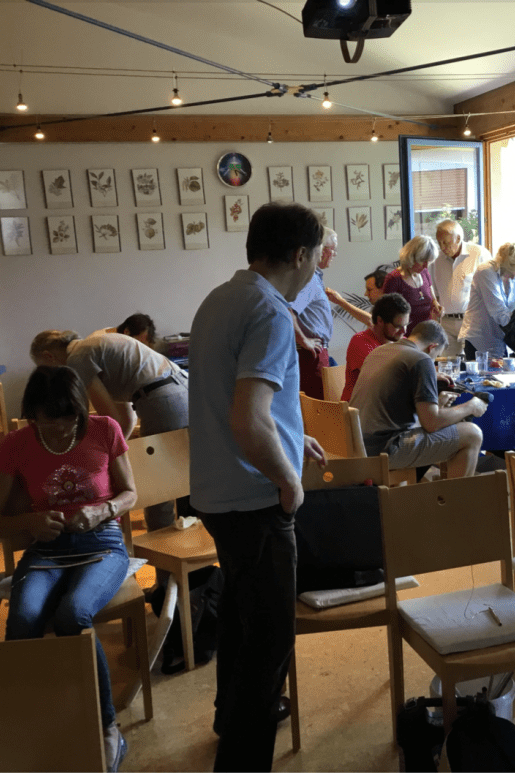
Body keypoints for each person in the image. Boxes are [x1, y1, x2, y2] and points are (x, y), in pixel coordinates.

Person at [189, 202, 327, 772]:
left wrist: (292, 437)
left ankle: (229, 719)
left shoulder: (220, 298)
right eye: (317, 256)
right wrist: (288, 480)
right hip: (254, 497)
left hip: (217, 491)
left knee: (242, 624)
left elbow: (240, 401)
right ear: (300, 254)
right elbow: (248, 419)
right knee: (269, 644)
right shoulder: (270, 311)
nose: (317, 266)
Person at [0, 365, 136, 773]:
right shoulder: (15, 445)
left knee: (73, 613)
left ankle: (107, 728)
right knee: (23, 619)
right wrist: (30, 522)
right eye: (49, 422)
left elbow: (130, 493)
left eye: (69, 419)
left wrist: (102, 510)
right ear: (32, 414)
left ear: (80, 410)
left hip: (102, 544)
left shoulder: (104, 429)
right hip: (47, 550)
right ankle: (34, 719)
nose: (60, 429)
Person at [29, 329, 187, 532]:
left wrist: (98, 458)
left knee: (156, 481)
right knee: (183, 471)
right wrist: (116, 454)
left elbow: (108, 421)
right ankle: (187, 531)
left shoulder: (78, 359)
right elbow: (125, 420)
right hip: (183, 390)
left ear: (49, 356)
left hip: (163, 401)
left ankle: (161, 542)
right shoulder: (96, 344)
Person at [350, 319, 487, 478]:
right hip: (382, 450)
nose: (433, 362)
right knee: (472, 434)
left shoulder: (379, 351)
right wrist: (472, 406)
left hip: (356, 444)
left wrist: (436, 404)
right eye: (436, 357)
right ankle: (455, 494)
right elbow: (432, 423)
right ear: (432, 347)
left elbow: (394, 404)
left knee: (448, 428)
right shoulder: (422, 359)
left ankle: (445, 487)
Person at [459, 243, 515, 361]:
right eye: (511, 272)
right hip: (480, 339)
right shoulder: (485, 272)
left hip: (502, 341)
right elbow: (500, 314)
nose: (514, 277)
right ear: (502, 265)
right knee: (482, 372)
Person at [431, 219, 491, 356]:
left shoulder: (479, 254)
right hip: (446, 322)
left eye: (446, 242)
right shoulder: (436, 259)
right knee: (447, 364)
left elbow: (491, 287)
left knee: (474, 361)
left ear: (458, 238)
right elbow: (435, 292)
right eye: (439, 243)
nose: (442, 247)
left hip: (472, 321)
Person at [290, 227, 337, 399]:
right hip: (310, 355)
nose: (335, 254)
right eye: (334, 250)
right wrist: (304, 340)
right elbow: (288, 310)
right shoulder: (309, 279)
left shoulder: (313, 277)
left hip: (313, 353)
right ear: (323, 251)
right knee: (318, 407)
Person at [341, 292, 410, 402]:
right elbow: (383, 380)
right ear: (380, 321)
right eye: (398, 326)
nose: (404, 331)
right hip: (360, 408)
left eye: (406, 325)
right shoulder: (360, 342)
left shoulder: (403, 342)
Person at [382, 236, 441, 335]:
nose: (426, 266)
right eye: (423, 261)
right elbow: (386, 315)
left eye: (429, 262)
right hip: (405, 337)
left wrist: (436, 306)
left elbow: (432, 300)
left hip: (426, 335)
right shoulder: (394, 279)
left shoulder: (424, 273)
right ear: (411, 257)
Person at [325, 265, 392, 329]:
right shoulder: (378, 308)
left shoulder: (394, 307)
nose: (365, 294)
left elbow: (371, 320)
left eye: (369, 290)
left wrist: (340, 301)